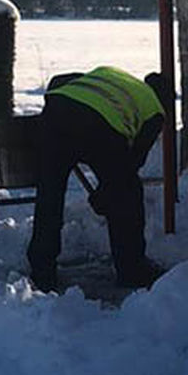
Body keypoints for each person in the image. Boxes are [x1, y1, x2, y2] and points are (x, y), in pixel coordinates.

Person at [28, 66, 169, 292]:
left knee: (49, 196)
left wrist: (104, 192)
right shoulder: (155, 111)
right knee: (129, 194)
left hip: (54, 117)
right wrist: (106, 195)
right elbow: (129, 166)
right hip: (99, 128)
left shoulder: (112, 73)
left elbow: (60, 80)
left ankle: (42, 270)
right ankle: (131, 269)